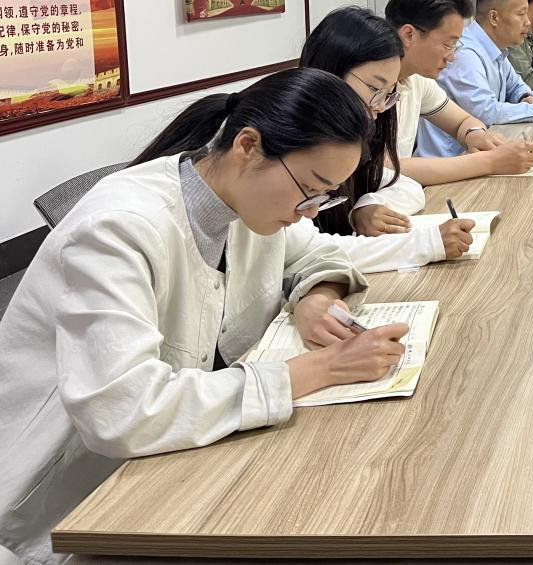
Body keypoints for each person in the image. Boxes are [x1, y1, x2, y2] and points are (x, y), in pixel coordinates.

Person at [0, 69, 409, 565]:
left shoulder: (245, 201)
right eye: (310, 189)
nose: (310, 211)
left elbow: (318, 255)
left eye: (326, 197)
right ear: (248, 146)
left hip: (170, 463)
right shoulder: (117, 230)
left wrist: (316, 299)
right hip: (68, 506)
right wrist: (319, 369)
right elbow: (124, 411)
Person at [299, 6, 475, 269]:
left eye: (389, 93)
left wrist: (366, 206)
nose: (380, 107)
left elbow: (404, 184)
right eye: (375, 88)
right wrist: (428, 243)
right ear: (331, 69)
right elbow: (308, 251)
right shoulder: (297, 141)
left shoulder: (362, 125)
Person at [384, 0, 533, 181]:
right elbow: (383, 169)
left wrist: (475, 134)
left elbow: (462, 122)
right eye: (448, 44)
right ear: (409, 34)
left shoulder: (416, 80)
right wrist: (490, 161)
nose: (452, 57)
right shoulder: (369, 85)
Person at [418, 0, 533, 158]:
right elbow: (487, 112)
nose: (528, 22)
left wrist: (526, 97)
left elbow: (517, 85)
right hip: (450, 162)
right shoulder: (465, 54)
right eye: (521, 14)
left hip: (478, 154)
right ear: (494, 18)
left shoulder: (496, 48)